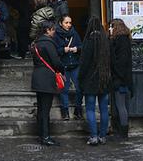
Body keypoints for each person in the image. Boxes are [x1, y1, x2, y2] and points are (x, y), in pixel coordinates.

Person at [31, 21, 64, 146]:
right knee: (45, 109)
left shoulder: (35, 43)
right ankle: (45, 136)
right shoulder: (49, 44)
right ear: (48, 30)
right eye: (53, 30)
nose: (54, 32)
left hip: (38, 77)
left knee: (41, 108)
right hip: (47, 78)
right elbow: (56, 62)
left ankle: (41, 135)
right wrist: (61, 71)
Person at [78, 17, 111, 146]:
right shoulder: (105, 42)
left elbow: (84, 64)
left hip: (90, 81)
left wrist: (80, 79)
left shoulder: (88, 42)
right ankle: (103, 136)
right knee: (104, 109)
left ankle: (93, 136)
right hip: (104, 79)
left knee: (90, 109)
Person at [54, 14, 83, 120]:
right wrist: (63, 50)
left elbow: (81, 46)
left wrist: (77, 49)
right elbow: (54, 51)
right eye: (66, 22)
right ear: (61, 23)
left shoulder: (74, 33)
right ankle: (65, 111)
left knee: (80, 88)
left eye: (70, 22)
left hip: (75, 64)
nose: (69, 25)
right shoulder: (56, 35)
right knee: (64, 89)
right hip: (63, 66)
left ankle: (78, 109)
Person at [109, 18, 134, 139]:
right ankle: (121, 130)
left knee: (121, 105)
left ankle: (123, 132)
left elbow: (120, 61)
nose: (109, 29)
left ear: (115, 27)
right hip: (123, 78)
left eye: (111, 26)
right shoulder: (124, 39)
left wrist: (117, 76)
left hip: (120, 79)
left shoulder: (120, 40)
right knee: (121, 105)